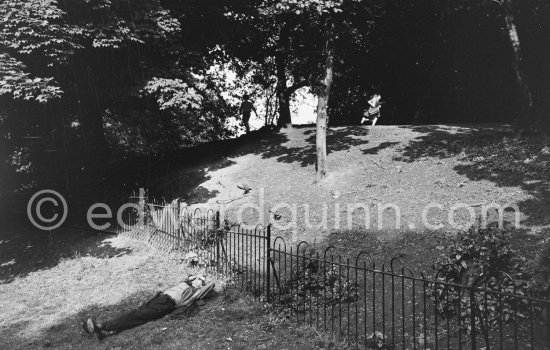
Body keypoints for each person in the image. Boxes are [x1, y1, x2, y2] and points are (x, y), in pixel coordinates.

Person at [82, 275, 215, 339]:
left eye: (201, 281)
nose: (199, 281)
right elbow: (186, 278)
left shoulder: (194, 292)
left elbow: (211, 285)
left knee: (136, 316)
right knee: (135, 314)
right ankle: (107, 331)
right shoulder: (185, 283)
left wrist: (204, 283)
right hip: (159, 298)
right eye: (197, 279)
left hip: (167, 304)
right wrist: (193, 277)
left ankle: (101, 326)